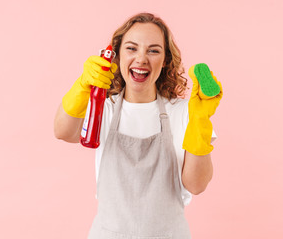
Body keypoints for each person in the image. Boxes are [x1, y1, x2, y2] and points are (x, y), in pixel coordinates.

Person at [54, 12, 222, 239]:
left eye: (153, 50)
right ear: (117, 56)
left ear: (164, 61)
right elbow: (63, 131)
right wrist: (82, 87)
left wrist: (200, 120)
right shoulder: (105, 107)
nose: (142, 58)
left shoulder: (184, 112)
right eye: (131, 48)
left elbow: (197, 184)